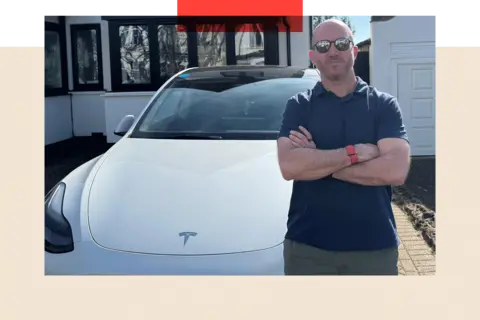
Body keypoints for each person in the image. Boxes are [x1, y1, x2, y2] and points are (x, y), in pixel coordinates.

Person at [277, 19, 411, 275]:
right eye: (323, 45)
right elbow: (289, 166)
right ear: (313, 55)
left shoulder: (383, 105)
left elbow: (395, 170)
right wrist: (356, 153)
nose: (332, 51)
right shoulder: (298, 106)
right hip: (308, 249)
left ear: (353, 50)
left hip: (374, 249)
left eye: (341, 43)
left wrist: (318, 162)